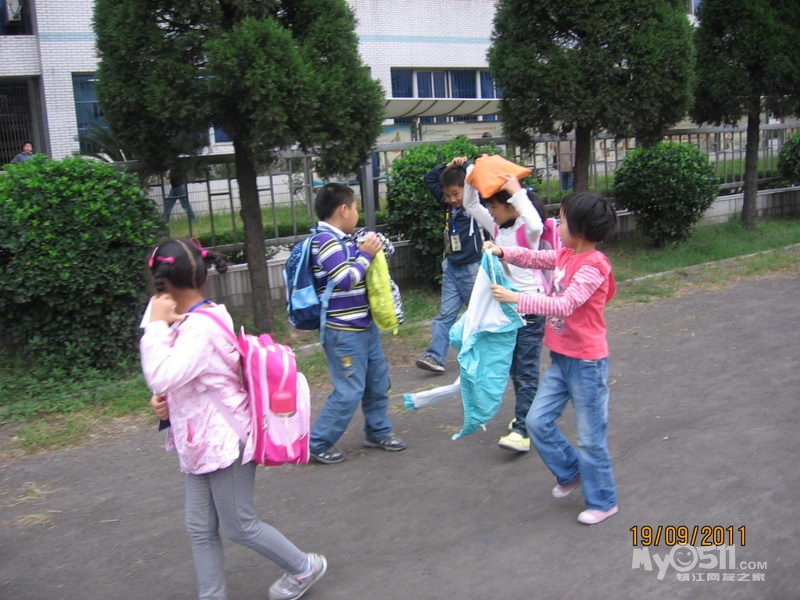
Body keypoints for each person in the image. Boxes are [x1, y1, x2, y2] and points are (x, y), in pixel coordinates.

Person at [140, 238, 327, 600]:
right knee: (199, 526)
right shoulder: (190, 319)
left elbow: (162, 374)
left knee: (240, 524)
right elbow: (176, 379)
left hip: (226, 440)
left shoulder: (201, 328)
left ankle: (304, 566)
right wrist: (163, 402)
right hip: (201, 440)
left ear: (162, 284)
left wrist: (155, 325)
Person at [484, 192, 619, 526]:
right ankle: (571, 471)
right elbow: (533, 258)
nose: (557, 226)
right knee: (536, 422)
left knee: (590, 438)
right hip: (561, 359)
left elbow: (564, 305)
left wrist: (517, 298)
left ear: (580, 228)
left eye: (562, 220)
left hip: (587, 364)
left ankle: (603, 501)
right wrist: (502, 251)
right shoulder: (566, 254)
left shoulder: (594, 266)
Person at [308, 183, 407, 464]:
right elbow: (346, 278)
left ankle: (378, 431)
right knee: (349, 389)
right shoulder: (324, 242)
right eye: (355, 209)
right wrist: (365, 254)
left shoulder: (347, 239)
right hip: (342, 331)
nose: (357, 215)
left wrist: (373, 246)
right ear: (343, 210)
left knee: (377, 381)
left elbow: (381, 254)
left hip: (363, 325)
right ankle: (318, 442)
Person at [461, 164, 548, 453]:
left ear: (511, 206)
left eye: (495, 207)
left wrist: (516, 191)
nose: (491, 212)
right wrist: (472, 173)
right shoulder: (498, 227)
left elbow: (536, 224)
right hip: (507, 312)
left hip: (530, 310)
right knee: (513, 369)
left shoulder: (526, 230)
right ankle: (528, 415)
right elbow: (470, 204)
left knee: (525, 372)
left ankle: (523, 429)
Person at [415, 158, 484, 373]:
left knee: (480, 315)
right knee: (445, 316)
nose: (452, 199)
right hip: (452, 268)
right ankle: (435, 356)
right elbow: (429, 179)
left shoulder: (475, 205)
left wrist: (465, 165)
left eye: (456, 193)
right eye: (447, 195)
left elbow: (479, 177)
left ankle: (489, 354)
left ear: (466, 189)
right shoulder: (448, 206)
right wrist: (448, 166)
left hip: (472, 269)